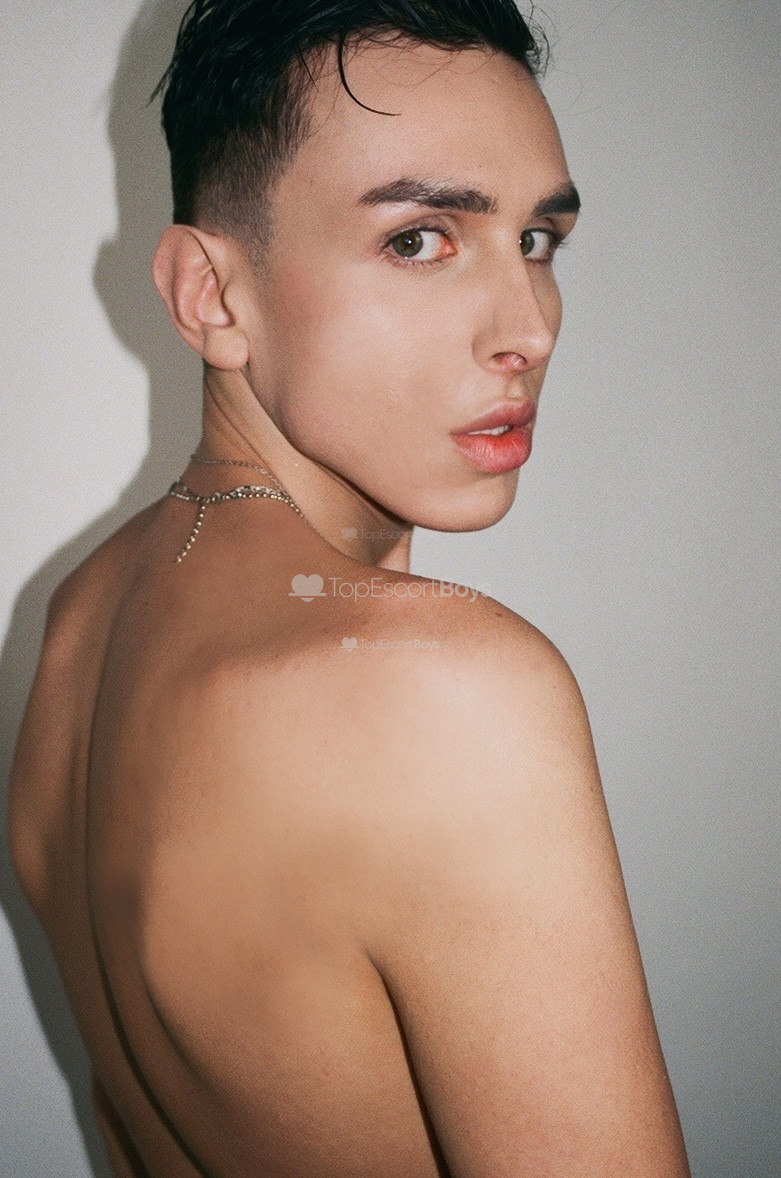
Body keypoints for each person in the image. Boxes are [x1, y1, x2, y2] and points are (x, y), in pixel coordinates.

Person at [9, 0, 691, 1174]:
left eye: (537, 238)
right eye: (419, 239)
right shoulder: (448, 688)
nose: (528, 328)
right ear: (209, 294)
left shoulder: (77, 625)